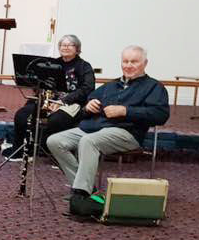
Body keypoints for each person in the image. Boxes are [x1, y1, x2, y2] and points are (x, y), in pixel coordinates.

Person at [46, 45, 169, 218]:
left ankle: (81, 196)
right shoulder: (110, 86)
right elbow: (85, 106)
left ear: (145, 63)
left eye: (134, 61)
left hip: (126, 132)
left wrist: (126, 111)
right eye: (125, 61)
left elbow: (160, 115)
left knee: (88, 141)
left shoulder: (154, 87)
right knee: (54, 141)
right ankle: (88, 189)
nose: (128, 65)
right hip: (94, 128)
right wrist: (88, 107)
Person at [2, 34, 95, 160]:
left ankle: (56, 154)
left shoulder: (84, 66)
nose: (65, 47)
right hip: (48, 99)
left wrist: (63, 100)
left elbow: (87, 88)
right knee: (22, 115)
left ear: (77, 48)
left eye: (69, 45)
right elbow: (41, 82)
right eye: (62, 45)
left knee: (56, 120)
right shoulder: (52, 63)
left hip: (71, 103)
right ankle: (21, 149)